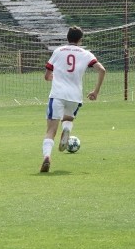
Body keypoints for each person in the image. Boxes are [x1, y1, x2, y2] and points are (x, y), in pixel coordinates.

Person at [40, 26, 106, 173]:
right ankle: (66, 129)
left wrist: (50, 77)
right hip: (75, 96)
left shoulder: (58, 51)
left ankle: (47, 157)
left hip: (57, 94)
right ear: (80, 39)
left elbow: (47, 75)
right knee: (68, 119)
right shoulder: (86, 53)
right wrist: (96, 91)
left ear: (67, 38)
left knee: (50, 130)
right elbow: (102, 70)